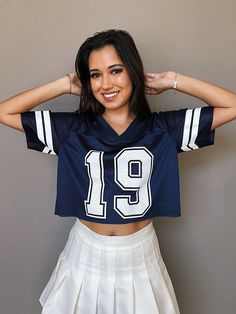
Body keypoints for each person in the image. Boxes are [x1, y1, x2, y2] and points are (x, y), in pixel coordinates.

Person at [0, 29, 236, 314]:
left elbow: (232, 105)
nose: (105, 84)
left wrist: (172, 80)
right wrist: (63, 85)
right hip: (85, 253)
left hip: (140, 255)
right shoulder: (72, 130)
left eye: (116, 70)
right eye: (95, 75)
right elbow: (5, 112)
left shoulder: (163, 130)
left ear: (132, 71)